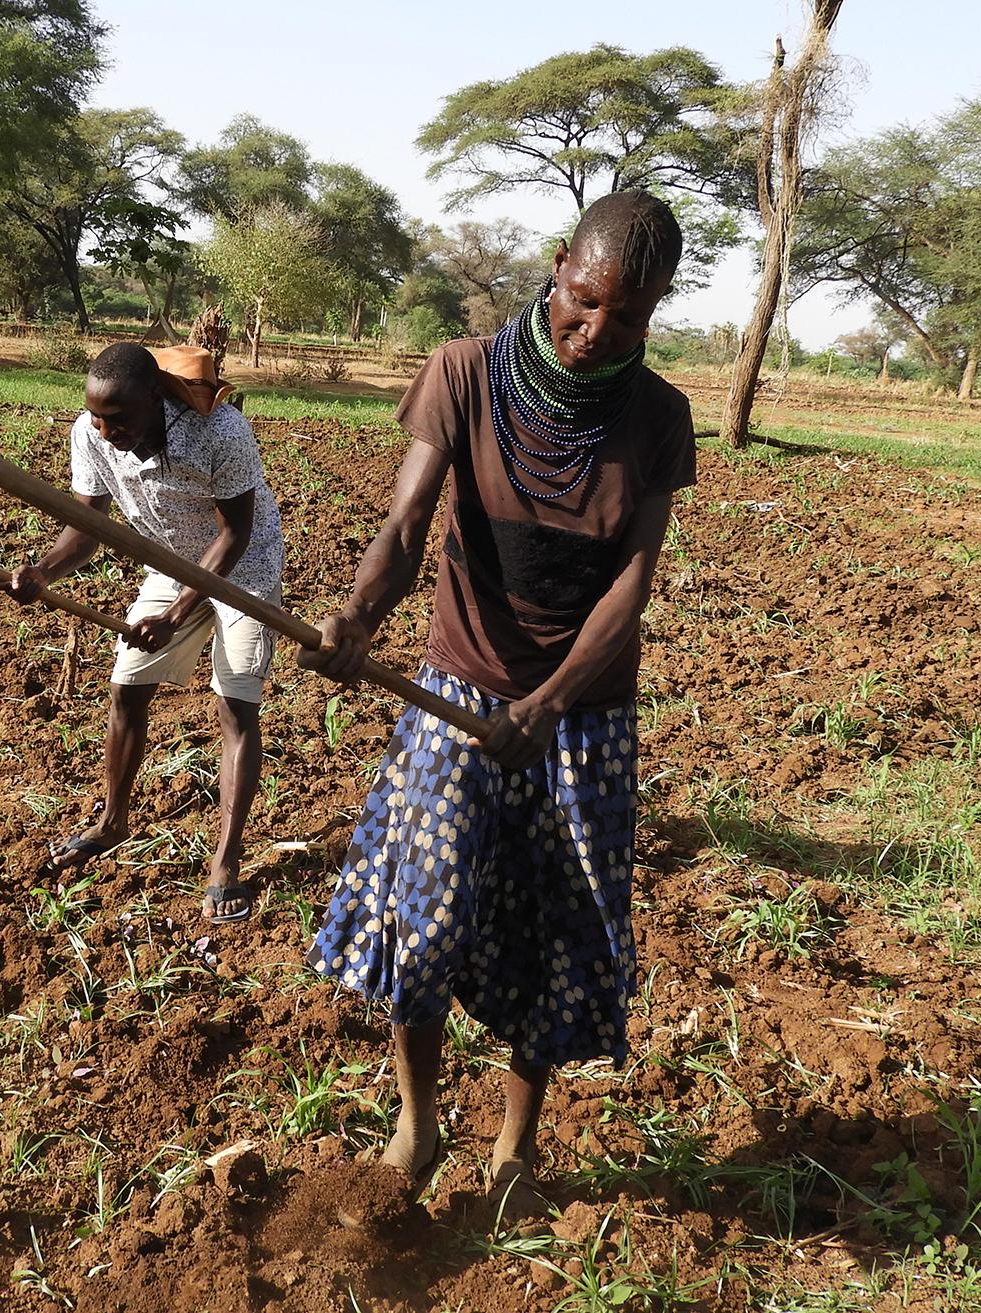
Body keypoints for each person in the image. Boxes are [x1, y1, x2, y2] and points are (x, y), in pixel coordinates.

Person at [299, 190, 695, 1202]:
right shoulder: (464, 372)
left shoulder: (656, 417)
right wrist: (354, 617)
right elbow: (405, 524)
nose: (595, 330)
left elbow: (631, 586)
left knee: (558, 936)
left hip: (581, 716)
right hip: (456, 695)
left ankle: (516, 1148)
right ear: (558, 266)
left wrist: (554, 700)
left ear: (656, 313)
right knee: (424, 922)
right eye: (583, 298)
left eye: (630, 317)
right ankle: (418, 1124)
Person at [5, 342, 283, 923]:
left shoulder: (221, 431)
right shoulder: (91, 432)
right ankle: (112, 820)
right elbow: (85, 527)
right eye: (99, 418)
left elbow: (235, 533)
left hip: (244, 570)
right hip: (168, 565)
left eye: (121, 419)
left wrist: (179, 613)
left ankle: (225, 863)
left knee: (236, 707)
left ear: (156, 397)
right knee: (127, 688)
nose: (107, 432)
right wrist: (43, 572)